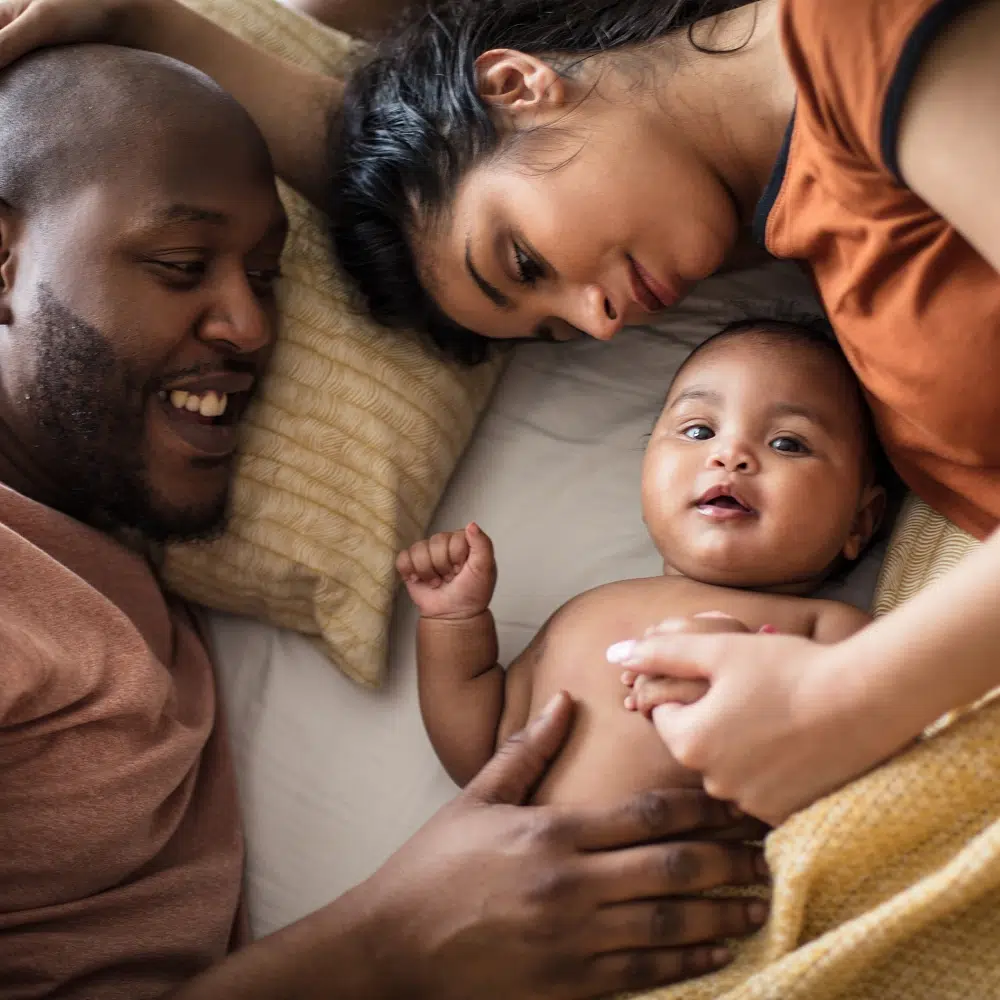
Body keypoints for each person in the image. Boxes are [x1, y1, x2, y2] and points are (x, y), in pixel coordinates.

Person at [1, 0, 989, 828]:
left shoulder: (857, 35)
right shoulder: (778, 194)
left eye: (524, 264)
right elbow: (430, 159)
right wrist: (136, 15)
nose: (599, 320)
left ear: (518, 83)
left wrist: (850, 701)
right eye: (553, 329)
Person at [0, 41, 771, 1000]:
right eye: (180, 262)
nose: (252, 326)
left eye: (268, 276)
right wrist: (390, 943)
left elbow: (469, 171)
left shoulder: (105, 561)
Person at [398, 319, 885, 806]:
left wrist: (749, 687)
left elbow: (864, 764)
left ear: (859, 522)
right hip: (516, 866)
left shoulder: (832, 632)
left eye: (787, 443)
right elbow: (483, 759)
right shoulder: (582, 615)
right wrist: (453, 624)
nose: (728, 454)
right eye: (699, 430)